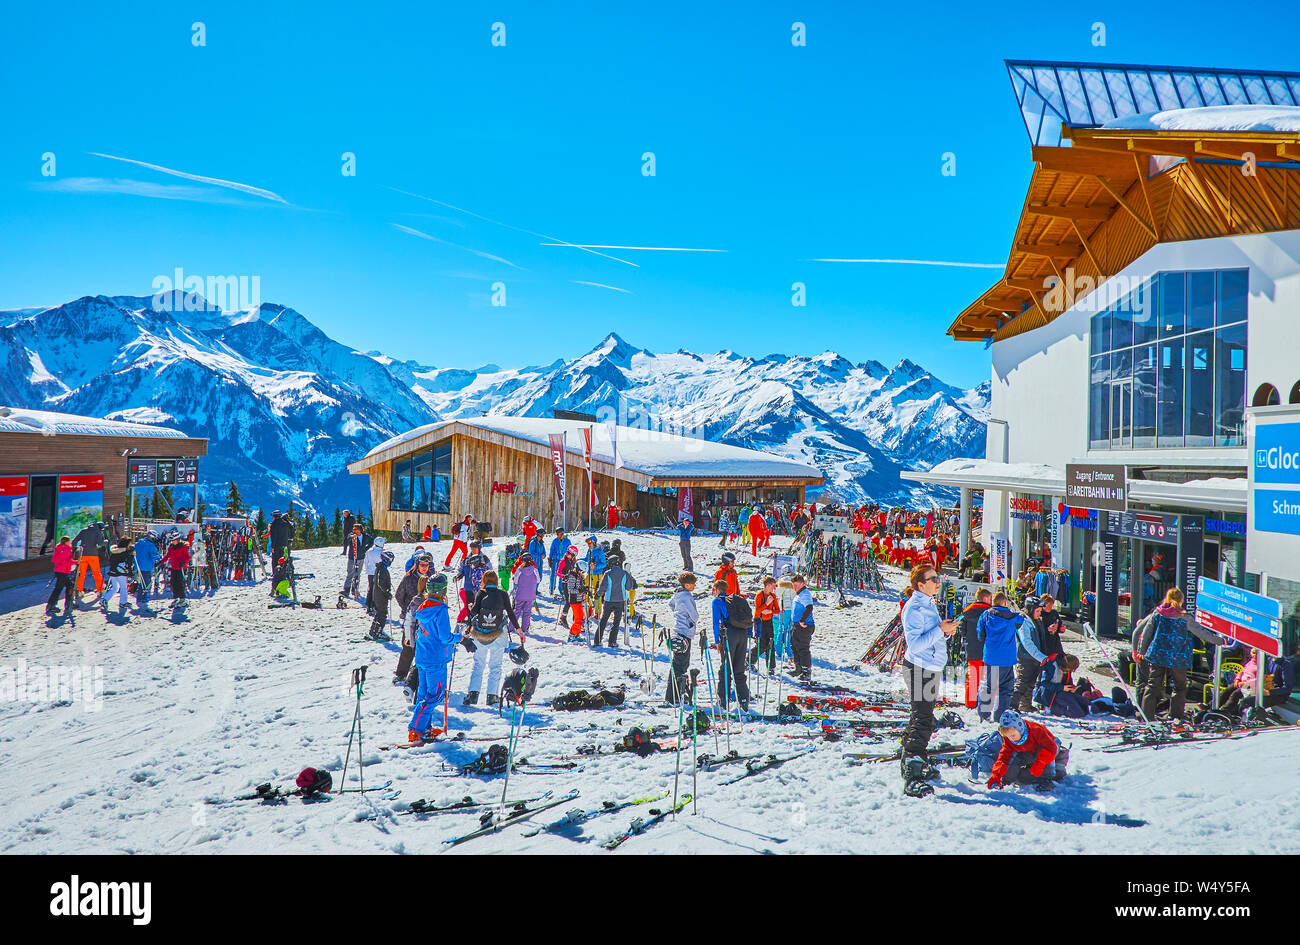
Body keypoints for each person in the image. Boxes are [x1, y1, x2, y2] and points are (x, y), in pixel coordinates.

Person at [898, 563, 958, 797]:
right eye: (933, 579)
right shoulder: (914, 608)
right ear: (920, 584)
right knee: (923, 718)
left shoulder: (928, 603)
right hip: (918, 668)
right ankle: (912, 774)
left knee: (922, 716)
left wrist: (945, 630)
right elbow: (915, 644)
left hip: (930, 667)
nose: (938, 581)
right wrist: (940, 630)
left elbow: (931, 636)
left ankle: (912, 760)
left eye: (938, 577)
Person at [408, 573, 462, 741]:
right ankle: (415, 729)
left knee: (424, 694)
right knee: (435, 695)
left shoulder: (423, 606)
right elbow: (445, 637)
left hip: (422, 657)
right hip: (435, 659)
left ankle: (425, 728)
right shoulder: (440, 610)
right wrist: (460, 638)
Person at [1135, 588, 1196, 720]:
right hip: (1178, 657)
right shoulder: (1185, 617)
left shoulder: (1158, 613)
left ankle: (1147, 717)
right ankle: (1175, 717)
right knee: (1179, 686)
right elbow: (1201, 632)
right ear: (1181, 600)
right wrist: (1220, 641)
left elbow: (1145, 634)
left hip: (1158, 655)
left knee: (1152, 685)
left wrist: (1141, 651)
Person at [465, 571, 520, 706]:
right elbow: (510, 612)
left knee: (478, 664)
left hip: (480, 635)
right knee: (495, 666)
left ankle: (473, 695)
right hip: (498, 635)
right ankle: (492, 696)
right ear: (496, 581)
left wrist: (470, 607)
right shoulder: (502, 594)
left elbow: (474, 613)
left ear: (484, 580)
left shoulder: (481, 593)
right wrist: (519, 630)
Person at [986, 710, 1061, 791]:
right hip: (1027, 753)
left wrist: (1040, 763)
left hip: (1047, 750)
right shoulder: (1009, 739)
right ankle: (1006, 780)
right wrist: (996, 775)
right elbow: (1004, 756)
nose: (1011, 738)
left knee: (1045, 752)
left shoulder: (1036, 730)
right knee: (1019, 771)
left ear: (1019, 728)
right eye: (1008, 737)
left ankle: (1047, 780)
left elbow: (1051, 748)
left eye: (1012, 735)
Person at [976, 591, 1022, 723]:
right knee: (1005, 688)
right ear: (1005, 602)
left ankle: (984, 713)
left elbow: (980, 635)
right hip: (1007, 658)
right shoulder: (1012, 617)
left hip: (991, 656)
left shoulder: (985, 615)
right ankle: (1000, 716)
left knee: (989, 685)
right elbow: (1021, 620)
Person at [711, 579, 751, 712]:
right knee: (739, 669)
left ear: (717, 589)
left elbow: (716, 623)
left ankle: (723, 700)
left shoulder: (717, 601)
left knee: (726, 668)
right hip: (742, 634)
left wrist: (717, 641)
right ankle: (744, 700)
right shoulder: (735, 601)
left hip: (729, 635)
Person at [395, 552, 433, 684]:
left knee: (423, 646)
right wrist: (406, 608)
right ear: (417, 565)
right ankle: (401, 673)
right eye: (422, 565)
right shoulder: (409, 578)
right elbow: (398, 595)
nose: (424, 568)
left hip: (426, 618)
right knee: (407, 645)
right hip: (410, 617)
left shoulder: (431, 578)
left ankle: (419, 674)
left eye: (427, 565)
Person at [1012, 596, 1051, 713]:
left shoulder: (1035, 621)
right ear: (1030, 609)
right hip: (1026, 658)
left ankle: (1025, 705)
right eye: (1037, 611)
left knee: (1030, 683)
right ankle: (1012, 705)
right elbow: (1027, 643)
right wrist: (1041, 657)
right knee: (1022, 682)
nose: (1039, 614)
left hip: (1034, 658)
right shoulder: (1024, 622)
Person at [665, 572, 699, 704]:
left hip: (678, 630)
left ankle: (676, 693)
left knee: (677, 663)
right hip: (685, 631)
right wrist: (690, 620)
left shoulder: (677, 594)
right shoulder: (687, 597)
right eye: (693, 584)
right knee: (681, 664)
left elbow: (670, 604)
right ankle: (674, 695)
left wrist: (677, 614)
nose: (695, 586)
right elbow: (694, 615)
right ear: (687, 585)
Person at [959, 588, 993, 710]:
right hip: (988, 648)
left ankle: (970, 703)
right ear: (985, 598)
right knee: (990, 677)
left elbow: (962, 630)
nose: (991, 601)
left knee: (973, 677)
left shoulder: (967, 611)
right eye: (990, 598)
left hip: (972, 648)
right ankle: (987, 703)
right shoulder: (990, 612)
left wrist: (968, 640)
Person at [595, 556, 637, 647]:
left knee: (604, 620)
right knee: (616, 622)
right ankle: (612, 642)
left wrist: (598, 595)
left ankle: (597, 640)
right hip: (620, 600)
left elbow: (603, 587)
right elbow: (629, 587)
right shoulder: (625, 573)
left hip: (608, 600)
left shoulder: (607, 573)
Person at [455, 540, 491, 624]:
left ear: (479, 548)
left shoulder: (484, 559)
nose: (473, 549)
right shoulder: (466, 559)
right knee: (469, 606)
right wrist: (459, 575)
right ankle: (470, 623)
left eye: (475, 547)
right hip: (468, 586)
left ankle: (480, 623)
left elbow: (490, 571)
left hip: (480, 587)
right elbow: (461, 569)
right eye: (471, 548)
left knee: (479, 605)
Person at [73, 520, 107, 603]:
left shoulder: (83, 531)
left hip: (82, 555)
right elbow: (100, 543)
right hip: (93, 555)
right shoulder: (97, 532)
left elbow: (74, 541)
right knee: (96, 573)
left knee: (81, 573)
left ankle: (79, 591)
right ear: (100, 528)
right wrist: (105, 542)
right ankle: (100, 590)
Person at [789, 573, 815, 681]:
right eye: (793, 585)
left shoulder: (805, 594)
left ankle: (806, 672)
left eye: (797, 585)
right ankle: (798, 668)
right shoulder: (799, 594)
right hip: (796, 625)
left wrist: (802, 619)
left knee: (803, 648)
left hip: (804, 626)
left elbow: (809, 607)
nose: (795, 587)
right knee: (794, 646)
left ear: (803, 583)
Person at [511, 551, 541, 643]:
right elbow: (538, 580)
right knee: (527, 612)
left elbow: (515, 581)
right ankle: (525, 628)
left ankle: (511, 627)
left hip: (520, 594)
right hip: (530, 595)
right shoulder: (535, 569)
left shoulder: (519, 570)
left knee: (517, 611)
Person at [752, 576, 780, 673]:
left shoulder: (773, 596)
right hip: (759, 622)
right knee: (761, 645)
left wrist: (769, 611)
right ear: (767, 585)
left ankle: (771, 667)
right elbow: (758, 611)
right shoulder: (759, 595)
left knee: (771, 644)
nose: (774, 588)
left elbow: (777, 611)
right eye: (773, 586)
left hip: (769, 622)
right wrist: (767, 603)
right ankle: (749, 661)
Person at [46, 536, 76, 616]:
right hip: (63, 571)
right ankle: (51, 606)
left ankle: (68, 603)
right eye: (69, 541)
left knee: (69, 586)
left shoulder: (59, 548)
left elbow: (55, 560)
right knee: (58, 589)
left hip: (59, 571)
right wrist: (75, 562)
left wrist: (75, 562)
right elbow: (66, 560)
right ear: (66, 542)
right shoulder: (66, 549)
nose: (70, 542)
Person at [369, 550, 394, 640]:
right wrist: (387, 592)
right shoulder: (381, 569)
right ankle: (378, 632)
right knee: (382, 613)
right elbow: (381, 583)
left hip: (378, 594)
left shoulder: (381, 568)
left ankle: (374, 630)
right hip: (380, 595)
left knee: (379, 613)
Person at [561, 557, 586, 637]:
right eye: (581, 571)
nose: (582, 573)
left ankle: (577, 633)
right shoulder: (572, 576)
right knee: (578, 619)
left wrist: (585, 589)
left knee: (580, 618)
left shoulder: (579, 576)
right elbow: (570, 590)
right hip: (574, 600)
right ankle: (572, 634)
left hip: (579, 600)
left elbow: (580, 586)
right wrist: (580, 590)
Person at [133, 534, 160, 608]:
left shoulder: (138, 543)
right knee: (146, 582)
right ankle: (142, 597)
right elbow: (154, 555)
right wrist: (159, 561)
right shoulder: (151, 545)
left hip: (138, 566)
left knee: (142, 581)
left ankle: (141, 596)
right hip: (147, 566)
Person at [343, 524, 369, 599]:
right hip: (352, 558)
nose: (353, 530)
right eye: (353, 529)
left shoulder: (365, 536)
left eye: (355, 529)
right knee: (350, 573)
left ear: (360, 530)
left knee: (357, 574)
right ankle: (346, 589)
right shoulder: (351, 535)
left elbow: (371, 541)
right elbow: (346, 540)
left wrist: (366, 549)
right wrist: (351, 537)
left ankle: (355, 589)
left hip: (360, 558)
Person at [363, 535, 387, 614]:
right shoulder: (382, 552)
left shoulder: (369, 551)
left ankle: (369, 605)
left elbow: (366, 562)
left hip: (370, 573)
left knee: (371, 588)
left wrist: (367, 570)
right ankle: (375, 605)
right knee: (378, 589)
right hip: (379, 573)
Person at [163, 537, 191, 604]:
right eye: (172, 541)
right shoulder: (171, 547)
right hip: (174, 567)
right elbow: (168, 555)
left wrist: (184, 562)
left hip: (181, 568)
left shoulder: (183, 547)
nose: (172, 542)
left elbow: (188, 557)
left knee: (180, 583)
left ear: (178, 540)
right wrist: (161, 562)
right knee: (173, 583)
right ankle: (176, 597)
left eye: (174, 541)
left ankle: (182, 598)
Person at [547, 528, 572, 597]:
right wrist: (550, 558)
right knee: (553, 574)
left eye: (558, 534)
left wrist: (570, 559)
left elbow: (570, 550)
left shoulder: (567, 541)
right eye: (556, 534)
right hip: (555, 559)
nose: (557, 535)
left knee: (562, 574)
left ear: (562, 534)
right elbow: (552, 549)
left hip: (563, 560)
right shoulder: (555, 541)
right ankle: (551, 588)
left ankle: (561, 589)